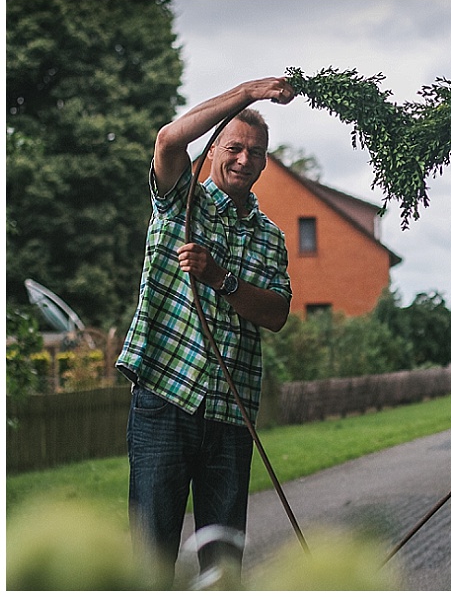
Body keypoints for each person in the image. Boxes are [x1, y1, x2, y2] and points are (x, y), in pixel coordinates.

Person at [116, 77, 296, 586]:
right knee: (151, 559)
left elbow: (277, 312)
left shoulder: (270, 237)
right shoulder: (180, 200)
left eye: (255, 153)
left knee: (223, 567)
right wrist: (251, 92)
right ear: (214, 148)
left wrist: (220, 277)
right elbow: (168, 140)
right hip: (163, 401)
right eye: (234, 147)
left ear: (264, 163)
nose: (243, 159)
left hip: (229, 413)